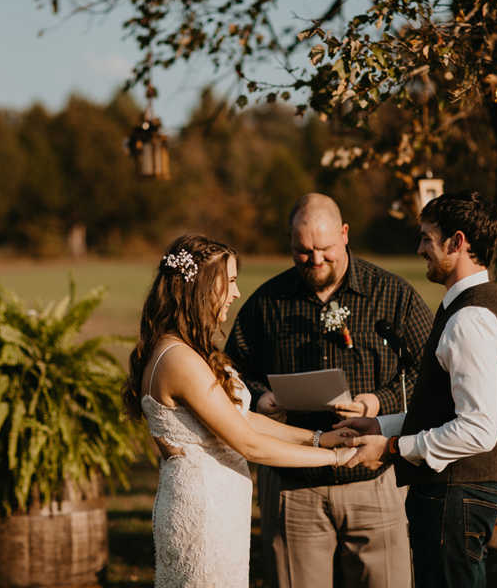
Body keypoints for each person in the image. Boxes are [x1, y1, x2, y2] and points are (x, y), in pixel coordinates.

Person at [123, 234, 359, 588]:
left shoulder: (188, 349)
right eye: (230, 281)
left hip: (219, 506)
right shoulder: (179, 359)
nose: (235, 293)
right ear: (202, 286)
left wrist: (320, 439)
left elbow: (242, 418)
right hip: (201, 513)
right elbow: (249, 444)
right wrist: (338, 459)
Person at [225, 193, 433, 588]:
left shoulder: (393, 295)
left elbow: (429, 372)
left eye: (324, 249)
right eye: (302, 252)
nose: (315, 260)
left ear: (345, 234)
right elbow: (232, 371)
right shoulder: (266, 303)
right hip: (293, 483)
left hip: (374, 476)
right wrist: (260, 397)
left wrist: (378, 401)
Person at [338, 191, 497, 588]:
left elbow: (478, 429)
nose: (420, 248)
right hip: (454, 496)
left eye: (427, 238)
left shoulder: (470, 318)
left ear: (457, 242)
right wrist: (381, 426)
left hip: (456, 497)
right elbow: (446, 412)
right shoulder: (466, 309)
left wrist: (392, 448)